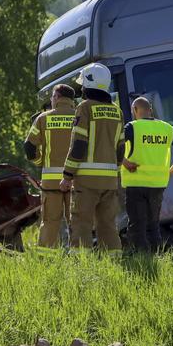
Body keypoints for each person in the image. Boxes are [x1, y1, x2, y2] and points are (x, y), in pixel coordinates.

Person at [60, 63, 124, 255]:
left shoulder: (84, 107)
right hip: (110, 181)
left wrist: (67, 175)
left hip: (86, 181)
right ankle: (113, 262)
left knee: (81, 223)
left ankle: (81, 267)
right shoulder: (117, 111)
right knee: (108, 225)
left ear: (89, 84)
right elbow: (121, 149)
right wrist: (113, 169)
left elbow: (79, 146)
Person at [121, 97, 173, 251]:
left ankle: (142, 261)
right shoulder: (166, 128)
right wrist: (171, 171)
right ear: (150, 110)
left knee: (137, 226)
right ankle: (156, 257)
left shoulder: (132, 127)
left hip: (136, 184)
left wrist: (126, 163)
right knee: (153, 226)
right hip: (158, 185)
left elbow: (115, 147)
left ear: (135, 110)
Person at [24, 84, 77, 250]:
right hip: (76, 180)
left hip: (51, 182)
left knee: (50, 222)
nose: (51, 100)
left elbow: (29, 147)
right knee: (76, 221)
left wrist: (41, 162)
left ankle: (46, 258)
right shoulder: (80, 117)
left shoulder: (43, 118)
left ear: (58, 97)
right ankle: (80, 257)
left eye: (53, 96)